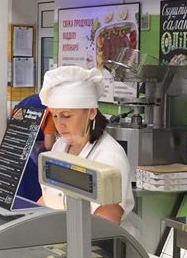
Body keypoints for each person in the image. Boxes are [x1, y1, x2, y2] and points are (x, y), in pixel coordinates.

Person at [38, 66, 136, 232]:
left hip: (96, 244)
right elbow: (48, 198)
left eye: (67, 116)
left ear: (91, 112)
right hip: (59, 237)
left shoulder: (109, 156)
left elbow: (106, 223)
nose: (60, 124)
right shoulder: (59, 146)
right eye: (55, 116)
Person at [13, 93, 56, 203]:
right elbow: (49, 144)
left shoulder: (27, 100)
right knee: (32, 202)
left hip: (14, 152)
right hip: (33, 162)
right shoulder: (51, 107)